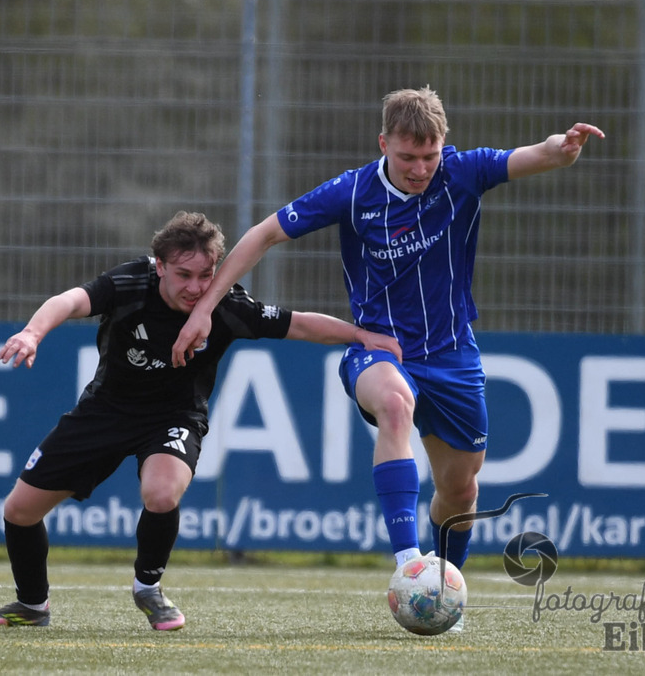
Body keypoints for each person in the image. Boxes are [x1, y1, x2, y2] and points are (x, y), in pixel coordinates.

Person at [171, 88, 604, 632]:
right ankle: (409, 565)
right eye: (407, 157)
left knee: (461, 491)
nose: (420, 168)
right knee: (396, 405)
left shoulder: (463, 172)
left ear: (443, 146)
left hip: (452, 354)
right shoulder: (353, 192)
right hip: (379, 348)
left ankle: (442, 590)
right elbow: (264, 234)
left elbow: (533, 154)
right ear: (384, 144)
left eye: (430, 156)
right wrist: (204, 309)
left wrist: (561, 150)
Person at [0, 210, 401, 631]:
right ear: (159, 266)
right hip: (104, 411)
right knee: (19, 511)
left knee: (161, 493)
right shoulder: (130, 283)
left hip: (174, 417)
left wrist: (360, 335)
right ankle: (32, 604)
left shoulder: (227, 305)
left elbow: (300, 325)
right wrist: (32, 332)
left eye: (205, 275)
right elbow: (69, 301)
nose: (196, 287)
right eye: (183, 275)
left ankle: (148, 587)